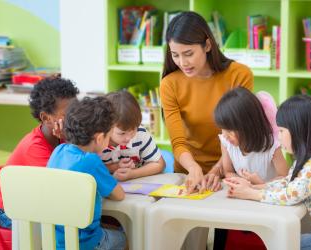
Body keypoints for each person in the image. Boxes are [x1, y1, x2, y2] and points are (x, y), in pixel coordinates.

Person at [224, 95, 311, 250]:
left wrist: (250, 194)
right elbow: (288, 182)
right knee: (283, 240)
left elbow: (292, 194)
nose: (279, 136)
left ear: (299, 131)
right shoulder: (308, 157)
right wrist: (254, 187)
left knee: (284, 244)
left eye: (282, 131)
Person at [160, 11, 254, 194]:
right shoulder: (169, 84)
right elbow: (178, 142)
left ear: (207, 45)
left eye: (188, 53)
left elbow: (240, 134)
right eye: (175, 55)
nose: (182, 62)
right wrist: (194, 169)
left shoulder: (239, 75)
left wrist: (218, 169)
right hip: (188, 172)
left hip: (232, 170)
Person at [0, 76, 79, 229]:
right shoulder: (35, 147)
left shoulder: (62, 136)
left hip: (35, 201)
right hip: (9, 212)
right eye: (68, 114)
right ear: (46, 118)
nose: (75, 118)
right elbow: (65, 184)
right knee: (70, 225)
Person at [47, 96, 126, 250]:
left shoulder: (59, 151)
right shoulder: (91, 161)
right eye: (109, 137)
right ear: (100, 138)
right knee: (124, 238)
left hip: (55, 240)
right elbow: (119, 195)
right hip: (84, 243)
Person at [214, 87, 288, 184]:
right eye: (223, 128)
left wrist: (260, 184)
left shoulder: (271, 146)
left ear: (248, 126)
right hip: (244, 195)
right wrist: (243, 181)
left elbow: (284, 176)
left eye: (230, 130)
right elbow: (228, 171)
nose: (225, 135)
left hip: (266, 195)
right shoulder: (226, 142)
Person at [101, 90, 165, 181]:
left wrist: (133, 174)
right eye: (122, 133)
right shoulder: (98, 141)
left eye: (133, 130)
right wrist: (115, 167)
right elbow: (88, 168)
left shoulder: (140, 133)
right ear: (106, 126)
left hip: (139, 183)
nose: (129, 138)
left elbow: (159, 164)